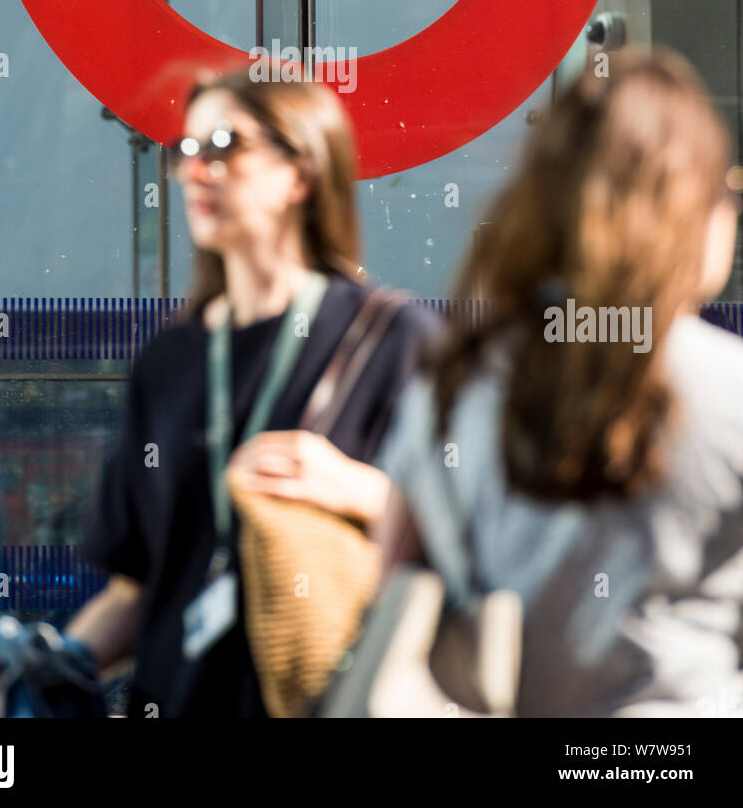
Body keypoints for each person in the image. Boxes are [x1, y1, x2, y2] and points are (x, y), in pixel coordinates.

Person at [0, 66, 436, 718]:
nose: (195, 171)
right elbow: (138, 594)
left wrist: (364, 491)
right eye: (185, 151)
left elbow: (476, 542)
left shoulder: (396, 340)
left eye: (225, 147)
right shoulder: (170, 361)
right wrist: (16, 686)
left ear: (299, 174)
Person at [234, 48, 743, 717]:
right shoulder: (727, 386)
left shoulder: (456, 384)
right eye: (727, 191)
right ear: (689, 209)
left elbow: (394, 589)